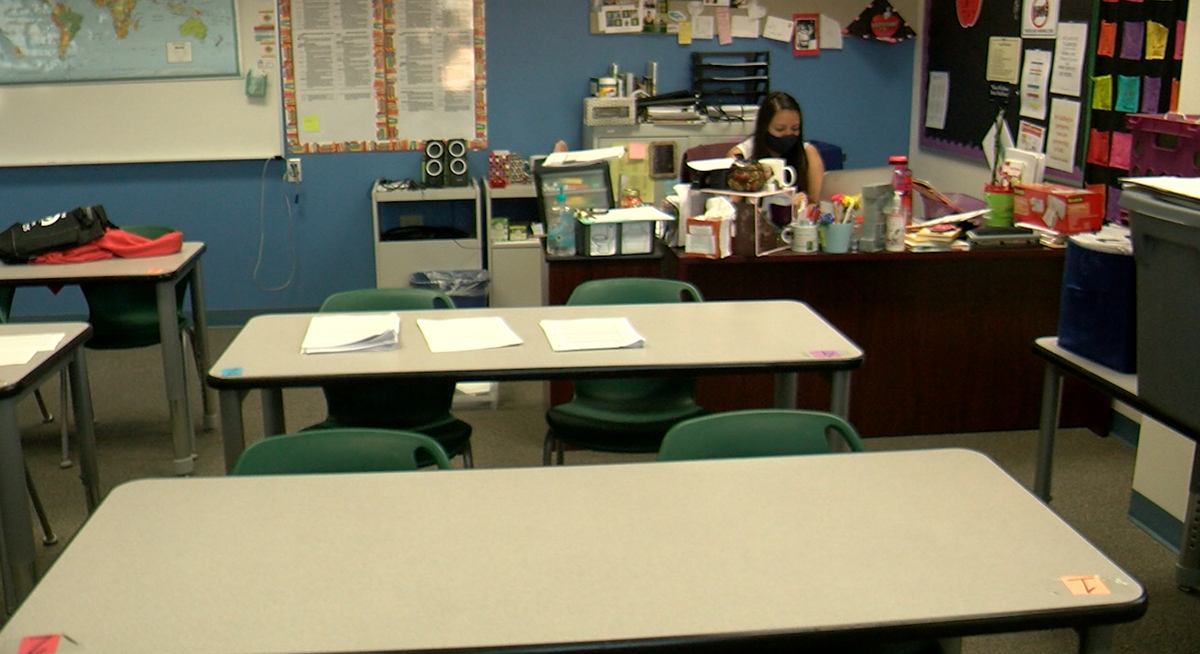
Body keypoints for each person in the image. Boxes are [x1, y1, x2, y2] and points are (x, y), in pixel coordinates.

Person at [727, 91, 825, 203]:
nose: (788, 134)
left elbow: (815, 203)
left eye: (795, 129)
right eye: (780, 129)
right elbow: (732, 204)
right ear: (764, 127)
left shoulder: (808, 153)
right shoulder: (740, 156)